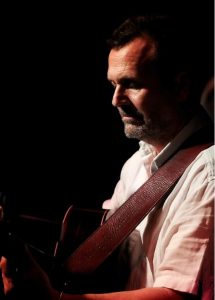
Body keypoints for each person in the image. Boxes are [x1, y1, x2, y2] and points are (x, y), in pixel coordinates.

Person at [0, 15, 214, 300]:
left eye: (131, 84)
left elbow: (177, 297)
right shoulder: (137, 164)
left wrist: (54, 299)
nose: (116, 99)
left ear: (180, 86)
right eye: (113, 84)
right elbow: (106, 251)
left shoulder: (208, 173)